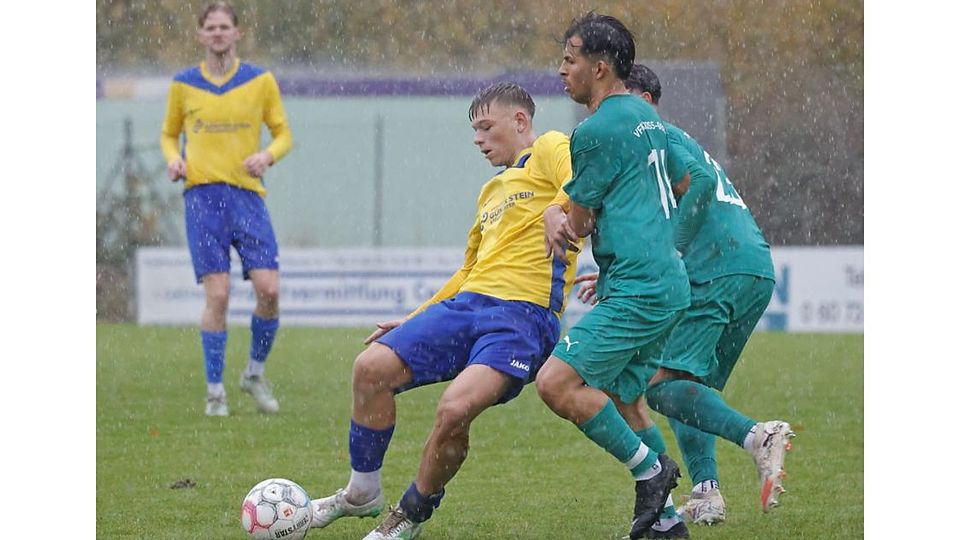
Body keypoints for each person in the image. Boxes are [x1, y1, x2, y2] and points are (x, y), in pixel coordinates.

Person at [307, 82, 581, 540]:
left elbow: (582, 179)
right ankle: (361, 494)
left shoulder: (550, 147)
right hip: (466, 305)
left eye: (485, 127)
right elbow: (468, 270)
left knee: (455, 409)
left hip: (522, 317)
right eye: (474, 130)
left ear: (519, 122)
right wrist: (417, 317)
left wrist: (557, 209)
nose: (477, 139)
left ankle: (410, 515)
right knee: (370, 368)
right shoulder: (490, 191)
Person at [575, 63, 795, 526]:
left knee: (658, 386)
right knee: (687, 385)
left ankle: (758, 436)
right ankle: (706, 490)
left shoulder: (658, 134)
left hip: (713, 269)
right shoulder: (655, 143)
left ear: (647, 102)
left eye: (625, 98)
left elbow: (701, 182)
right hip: (750, 267)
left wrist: (669, 255)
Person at [536, 13, 715, 540]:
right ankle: (667, 524)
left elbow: (581, 220)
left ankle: (651, 471)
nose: (561, 70)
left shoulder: (591, 131)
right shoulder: (649, 118)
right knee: (624, 400)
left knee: (555, 382)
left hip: (638, 289)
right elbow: (687, 180)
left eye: (569, 60)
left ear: (599, 66)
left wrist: (556, 217)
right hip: (666, 285)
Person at [160, 1, 292, 417]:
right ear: (201, 36)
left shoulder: (260, 81)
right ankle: (215, 391)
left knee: (269, 290)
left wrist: (268, 156)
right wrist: (173, 159)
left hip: (247, 197)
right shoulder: (183, 84)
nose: (217, 33)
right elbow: (169, 134)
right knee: (218, 296)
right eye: (210, 27)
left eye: (224, 27)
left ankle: (254, 372)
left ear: (237, 33)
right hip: (202, 199)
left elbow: (283, 133)